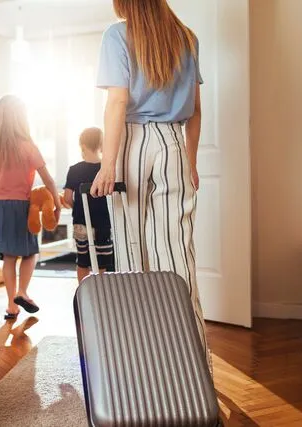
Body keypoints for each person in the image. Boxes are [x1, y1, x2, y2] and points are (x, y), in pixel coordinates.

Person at [90, 0, 211, 367]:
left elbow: (117, 102)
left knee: (132, 254)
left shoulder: (117, 35)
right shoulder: (187, 38)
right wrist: (189, 161)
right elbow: (196, 109)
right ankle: (194, 364)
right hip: (174, 142)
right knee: (177, 255)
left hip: (132, 144)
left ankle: (143, 362)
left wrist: (107, 164)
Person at [0, 95, 61, 320]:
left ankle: (11, 306)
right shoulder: (29, 148)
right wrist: (56, 202)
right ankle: (22, 291)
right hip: (22, 207)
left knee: (9, 258)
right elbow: (47, 179)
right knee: (30, 254)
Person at [63, 127, 114, 283]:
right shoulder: (106, 170)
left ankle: (83, 292)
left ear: (82, 145)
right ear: (101, 145)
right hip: (103, 221)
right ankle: (101, 292)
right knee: (102, 261)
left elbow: (67, 198)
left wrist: (77, 208)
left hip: (81, 221)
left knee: (82, 260)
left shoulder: (74, 170)